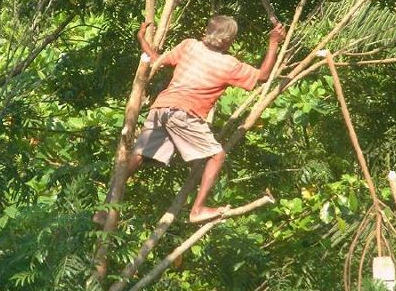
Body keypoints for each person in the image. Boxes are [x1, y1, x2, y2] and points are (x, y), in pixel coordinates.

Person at [95, 15, 286, 224]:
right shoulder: (228, 65)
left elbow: (157, 59)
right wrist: (273, 43)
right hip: (183, 113)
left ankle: (104, 210)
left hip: (160, 108)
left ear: (207, 32)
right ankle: (198, 209)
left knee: (137, 157)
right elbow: (263, 76)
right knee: (217, 156)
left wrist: (141, 39)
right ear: (227, 41)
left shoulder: (189, 46)